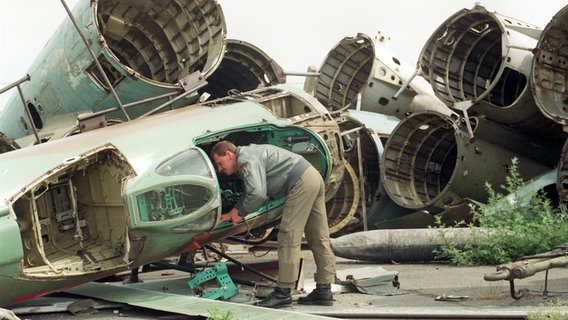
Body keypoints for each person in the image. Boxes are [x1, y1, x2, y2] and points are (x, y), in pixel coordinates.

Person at [211, 141, 336, 308]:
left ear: (229, 154)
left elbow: (257, 193)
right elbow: (254, 191)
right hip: (313, 176)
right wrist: (237, 209)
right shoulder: (252, 153)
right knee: (318, 237)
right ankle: (324, 289)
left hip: (300, 183)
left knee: (288, 235)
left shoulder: (245, 159)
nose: (220, 170)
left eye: (220, 164)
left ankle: (283, 292)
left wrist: (238, 212)